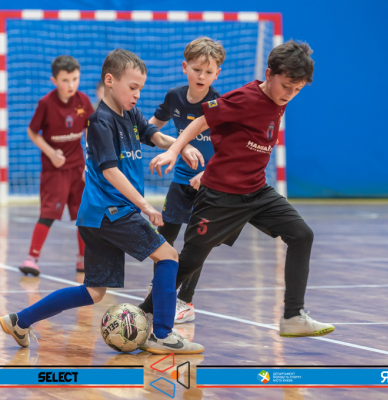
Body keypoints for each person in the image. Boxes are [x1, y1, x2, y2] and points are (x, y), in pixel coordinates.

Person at [0, 49, 206, 354]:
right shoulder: (100, 121)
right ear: (110, 80)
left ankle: (20, 320)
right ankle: (162, 334)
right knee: (168, 256)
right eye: (132, 87)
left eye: (140, 89)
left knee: (94, 291)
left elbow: (155, 135)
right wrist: (145, 206)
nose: (137, 94)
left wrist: (180, 146)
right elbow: (110, 172)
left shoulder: (131, 114)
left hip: (96, 217)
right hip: (112, 213)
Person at [140, 41, 335, 338]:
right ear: (268, 74)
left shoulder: (279, 99)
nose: (289, 94)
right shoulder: (245, 98)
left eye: (297, 90)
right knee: (190, 260)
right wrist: (174, 150)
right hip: (220, 195)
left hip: (257, 191)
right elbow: (201, 122)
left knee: (302, 234)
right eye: (286, 86)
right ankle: (145, 312)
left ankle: (293, 316)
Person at [147, 37, 224, 324]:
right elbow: (151, 128)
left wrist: (207, 173)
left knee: (196, 244)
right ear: (184, 67)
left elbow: (230, 147)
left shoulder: (219, 104)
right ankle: (159, 291)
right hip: (180, 180)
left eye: (208, 71)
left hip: (210, 184)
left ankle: (186, 301)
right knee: (163, 237)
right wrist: (171, 144)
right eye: (196, 69)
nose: (201, 76)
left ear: (217, 74)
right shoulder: (174, 97)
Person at [19, 55, 93, 275]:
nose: (71, 85)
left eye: (75, 79)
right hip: (55, 170)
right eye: (65, 80)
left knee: (84, 213)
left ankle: (83, 259)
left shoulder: (83, 101)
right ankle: (32, 258)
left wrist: (90, 162)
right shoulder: (46, 104)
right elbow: (32, 132)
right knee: (49, 212)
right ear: (54, 80)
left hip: (78, 168)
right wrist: (51, 153)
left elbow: (90, 131)